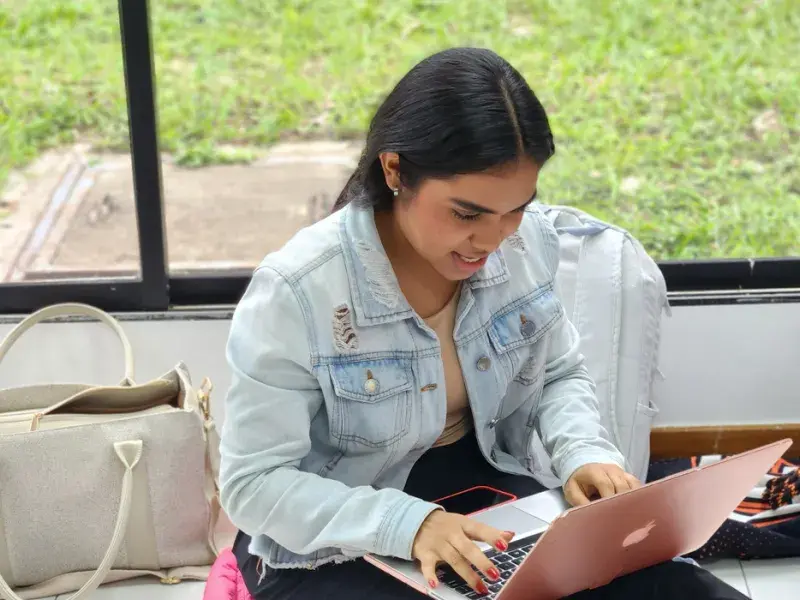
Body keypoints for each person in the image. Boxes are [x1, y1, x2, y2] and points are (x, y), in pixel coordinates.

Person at [219, 47, 748, 599]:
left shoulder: (525, 242)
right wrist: (411, 524)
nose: (493, 240)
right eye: (466, 214)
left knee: (680, 590)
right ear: (395, 169)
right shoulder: (300, 289)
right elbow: (252, 484)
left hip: (481, 492)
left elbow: (557, 373)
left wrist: (584, 454)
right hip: (330, 534)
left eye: (516, 208)